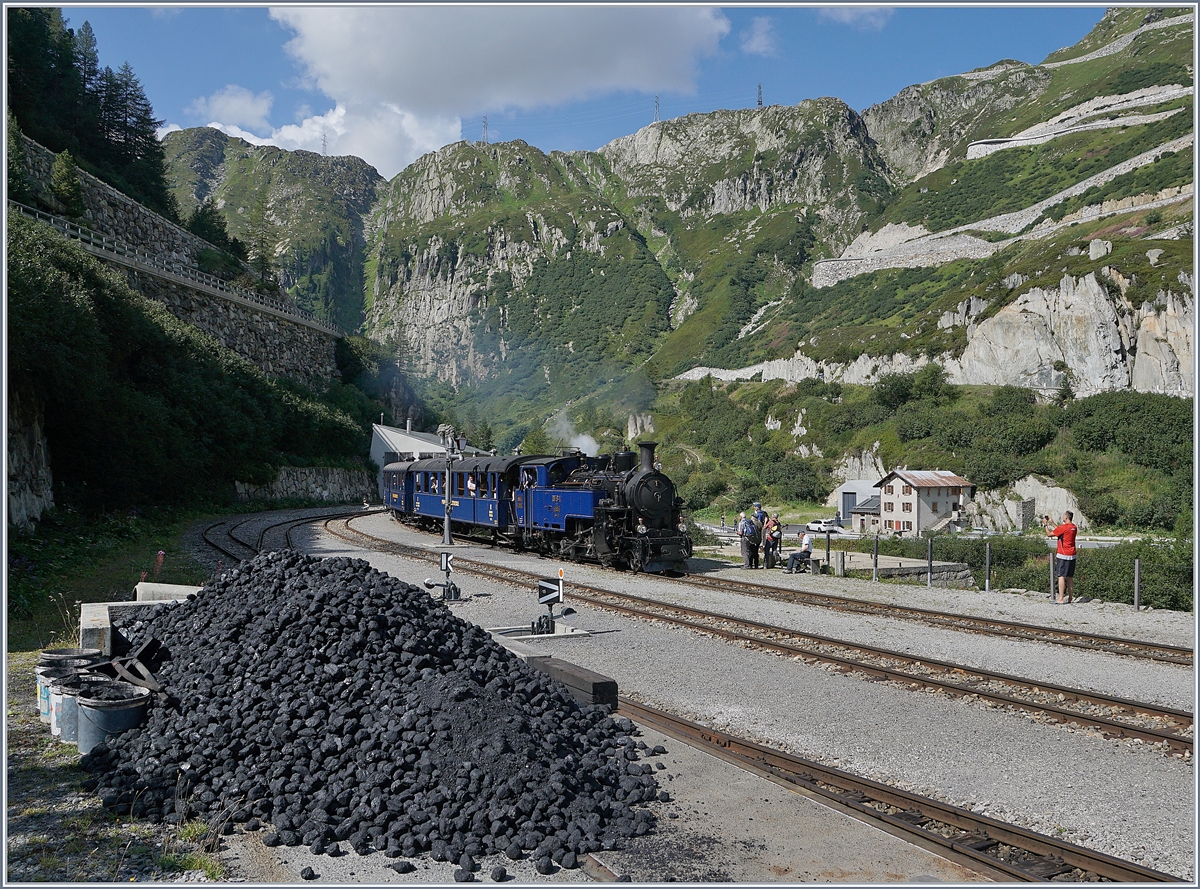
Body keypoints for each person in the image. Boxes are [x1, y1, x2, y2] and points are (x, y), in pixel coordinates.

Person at [1044, 510, 1078, 603]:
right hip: (1072, 554)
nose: (1062, 517)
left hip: (1063, 554)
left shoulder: (1064, 527)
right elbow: (1060, 531)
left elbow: (1049, 534)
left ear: (1066, 517)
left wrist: (1045, 525)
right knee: (1069, 577)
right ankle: (1070, 598)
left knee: (1061, 576)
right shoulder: (1074, 527)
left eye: (1063, 515)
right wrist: (1052, 522)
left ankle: (1061, 598)